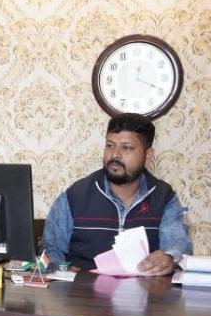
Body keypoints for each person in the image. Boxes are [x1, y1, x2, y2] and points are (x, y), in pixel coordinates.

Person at [41, 113, 190, 274]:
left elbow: (178, 246)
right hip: (84, 288)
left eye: (127, 147)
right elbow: (51, 250)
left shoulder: (164, 197)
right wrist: (62, 271)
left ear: (148, 156)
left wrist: (169, 258)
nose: (115, 154)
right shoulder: (75, 196)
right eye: (110, 145)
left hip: (144, 287)